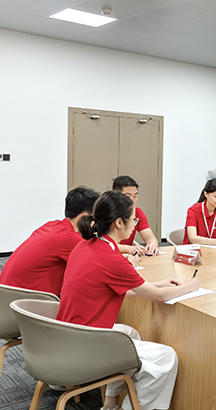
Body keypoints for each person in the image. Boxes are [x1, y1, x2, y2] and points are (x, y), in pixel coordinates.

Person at [57, 191, 200, 410]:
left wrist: (158, 284)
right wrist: (191, 286)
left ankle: (110, 403)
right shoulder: (111, 258)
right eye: (133, 220)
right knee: (166, 358)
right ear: (118, 223)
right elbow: (158, 298)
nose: (135, 224)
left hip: (66, 334)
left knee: (129, 333)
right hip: (86, 344)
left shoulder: (86, 246)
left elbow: (113, 289)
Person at [0, 186, 99, 295]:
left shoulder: (52, 226)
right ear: (85, 216)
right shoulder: (69, 238)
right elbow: (101, 260)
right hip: (26, 299)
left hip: (7, 296)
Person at [113, 175, 159, 255]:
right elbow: (104, 245)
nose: (132, 200)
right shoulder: (107, 213)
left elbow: (150, 238)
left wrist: (152, 245)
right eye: (127, 196)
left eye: (135, 196)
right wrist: (129, 248)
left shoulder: (137, 212)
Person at [183, 178, 216, 246]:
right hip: (194, 249)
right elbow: (192, 239)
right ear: (206, 194)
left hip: (213, 249)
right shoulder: (193, 210)